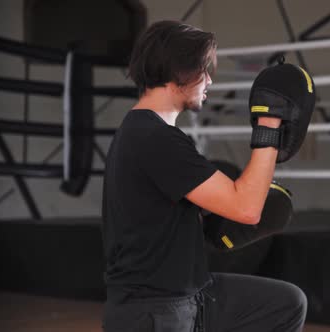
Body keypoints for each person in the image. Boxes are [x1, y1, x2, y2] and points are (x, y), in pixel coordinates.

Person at [101, 20, 315, 332]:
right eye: (204, 70)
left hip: (189, 296)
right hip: (154, 311)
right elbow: (246, 207)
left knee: (284, 304)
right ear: (181, 71)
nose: (209, 81)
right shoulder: (153, 138)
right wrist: (270, 126)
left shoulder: (149, 133)